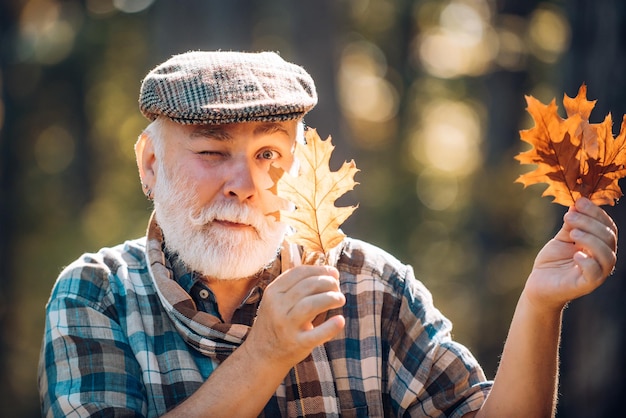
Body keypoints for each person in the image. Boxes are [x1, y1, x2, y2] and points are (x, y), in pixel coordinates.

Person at [38, 50, 617, 418]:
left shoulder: (371, 285)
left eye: (268, 153)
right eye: (213, 153)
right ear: (150, 165)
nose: (244, 183)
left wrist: (541, 305)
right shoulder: (95, 294)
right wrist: (266, 353)